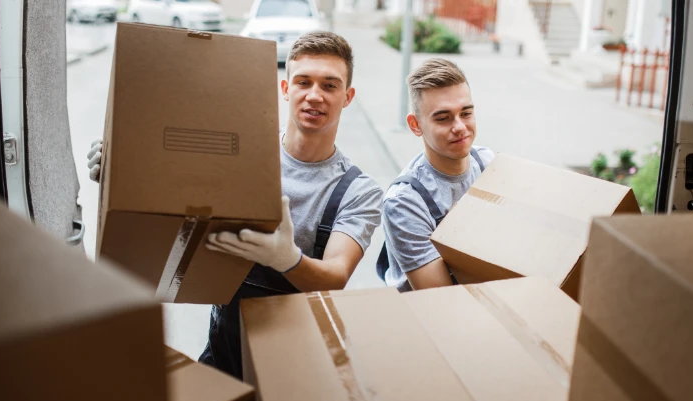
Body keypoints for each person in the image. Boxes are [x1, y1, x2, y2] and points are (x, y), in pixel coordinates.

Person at [87, 31, 383, 379]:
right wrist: (123, 174)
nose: (314, 95)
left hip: (299, 369)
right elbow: (176, 193)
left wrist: (286, 259)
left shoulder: (358, 190)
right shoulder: (241, 154)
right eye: (304, 82)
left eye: (330, 86)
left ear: (347, 97)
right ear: (286, 89)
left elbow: (336, 275)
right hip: (223, 353)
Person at [378, 58, 494, 292]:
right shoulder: (404, 202)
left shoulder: (489, 164)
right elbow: (441, 297)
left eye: (466, 113)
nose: (460, 126)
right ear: (415, 125)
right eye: (443, 118)